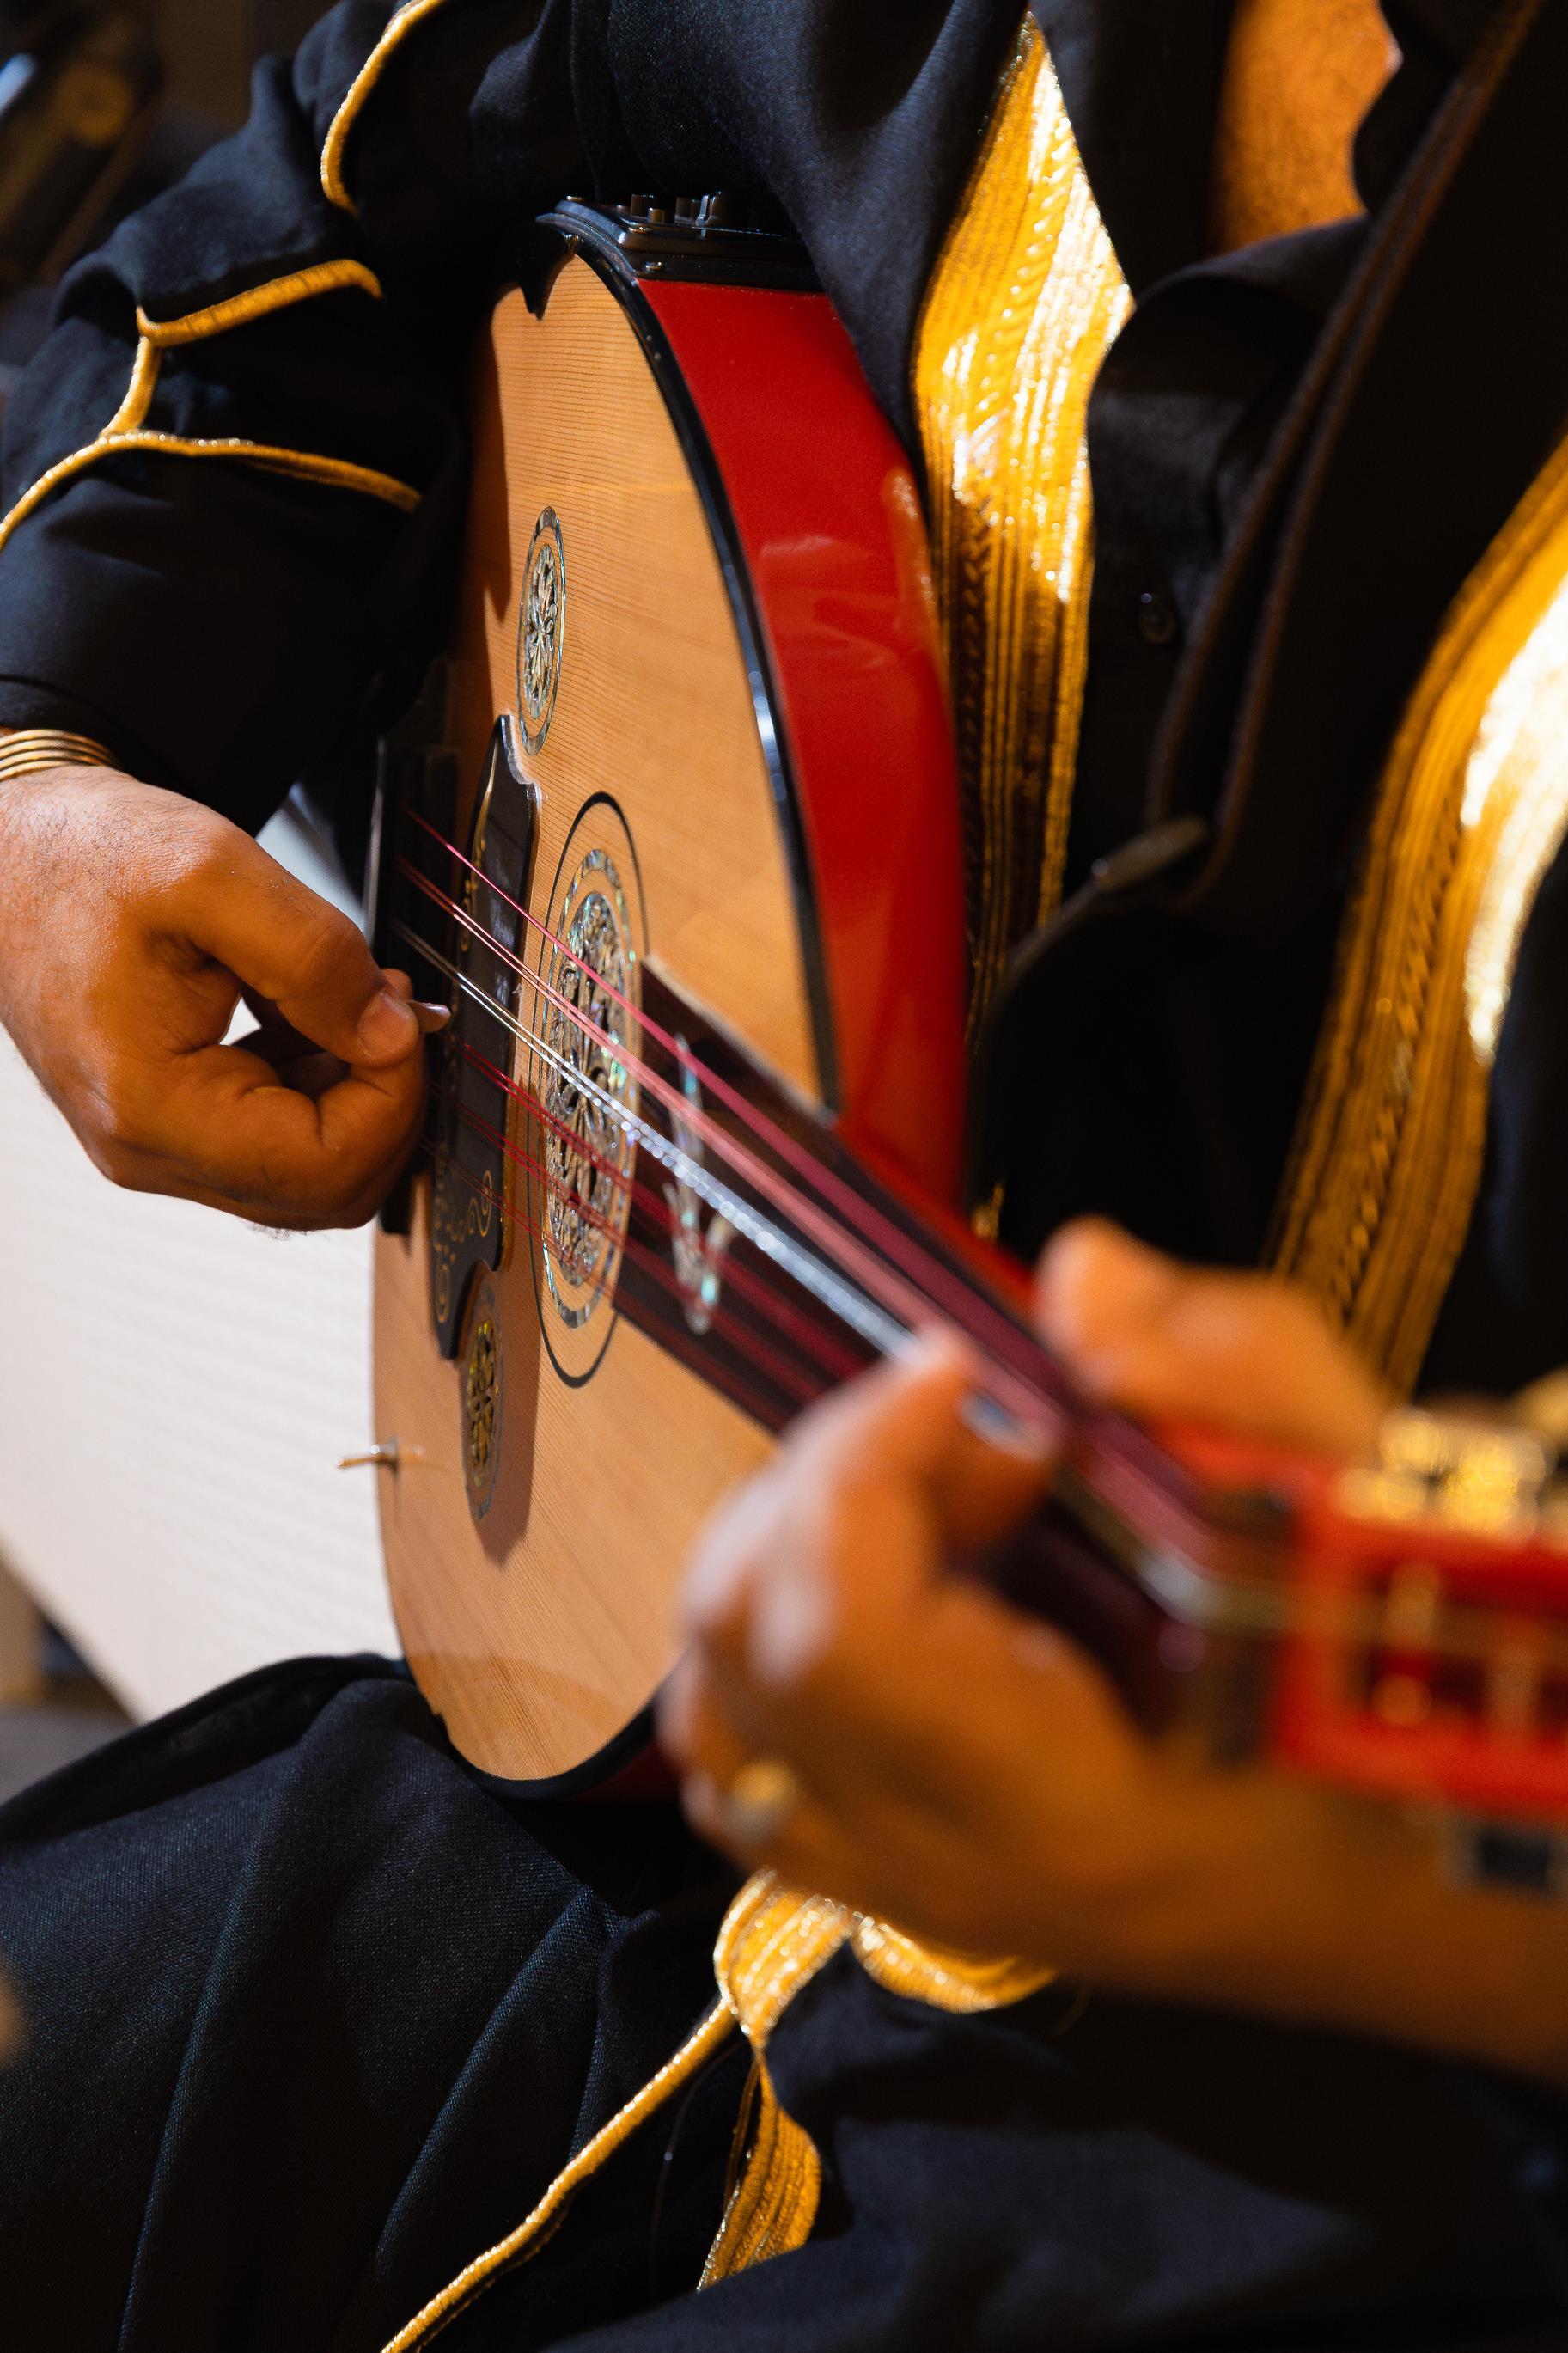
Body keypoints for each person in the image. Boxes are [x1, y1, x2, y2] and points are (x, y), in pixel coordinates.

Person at [5, 1, 1568, 2346]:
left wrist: (1430, 1899)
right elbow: (340, 181)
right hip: (618, 1829)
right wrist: (51, 755)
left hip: (1344, 2184)